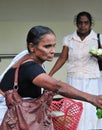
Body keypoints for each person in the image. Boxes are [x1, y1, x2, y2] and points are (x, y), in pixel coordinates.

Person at [0, 25, 102, 129]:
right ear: (32, 47)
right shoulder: (29, 67)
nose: (52, 51)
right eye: (47, 46)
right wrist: (92, 98)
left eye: (54, 46)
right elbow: (58, 87)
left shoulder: (32, 60)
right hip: (8, 119)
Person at [49, 11, 102, 130]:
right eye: (80, 23)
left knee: (91, 107)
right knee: (73, 106)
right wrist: (50, 74)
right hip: (74, 78)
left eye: (86, 23)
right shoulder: (68, 39)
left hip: (92, 78)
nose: (83, 26)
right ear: (76, 24)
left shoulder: (98, 38)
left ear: (90, 24)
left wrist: (98, 56)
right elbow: (63, 57)